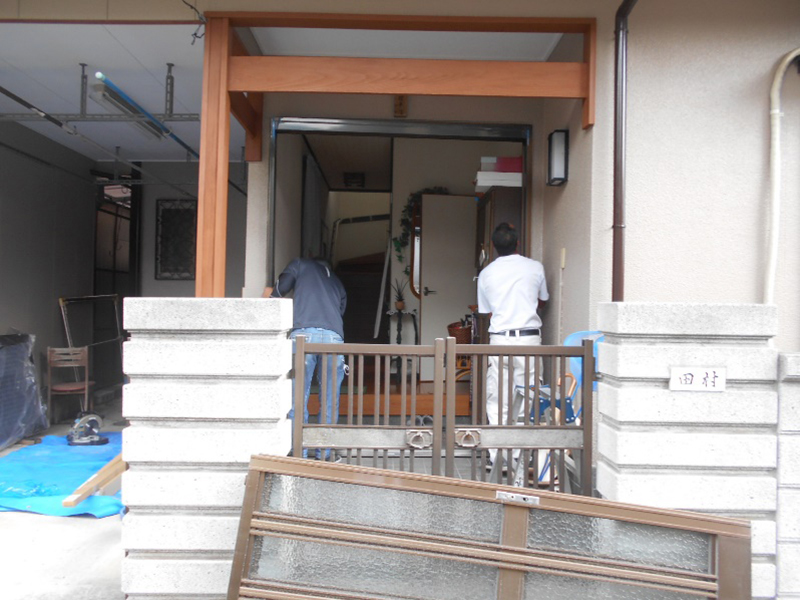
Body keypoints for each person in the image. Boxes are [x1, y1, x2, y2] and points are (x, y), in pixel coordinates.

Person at [477, 223, 549, 470]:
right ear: (518, 243)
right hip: (529, 339)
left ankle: (498, 456)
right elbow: (542, 300)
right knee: (528, 394)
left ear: (494, 246)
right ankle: (519, 455)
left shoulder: (487, 273)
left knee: (498, 396)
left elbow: (486, 311)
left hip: (500, 339)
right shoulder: (535, 267)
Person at [264, 257, 347, 459]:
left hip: (303, 335)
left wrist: (270, 299)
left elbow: (282, 287)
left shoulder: (301, 264)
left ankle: (297, 452)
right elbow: (341, 310)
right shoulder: (337, 282)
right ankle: (324, 454)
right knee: (330, 399)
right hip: (333, 337)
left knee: (298, 395)